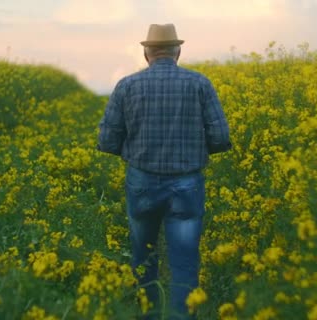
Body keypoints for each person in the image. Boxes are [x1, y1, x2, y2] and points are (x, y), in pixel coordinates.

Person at [97, 23, 231, 319]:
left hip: (142, 181)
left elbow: (106, 141)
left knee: (144, 257)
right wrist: (195, 149)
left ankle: (147, 314)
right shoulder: (199, 84)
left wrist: (136, 153)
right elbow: (221, 138)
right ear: (177, 51)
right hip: (187, 183)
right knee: (184, 262)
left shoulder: (127, 86)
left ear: (147, 53)